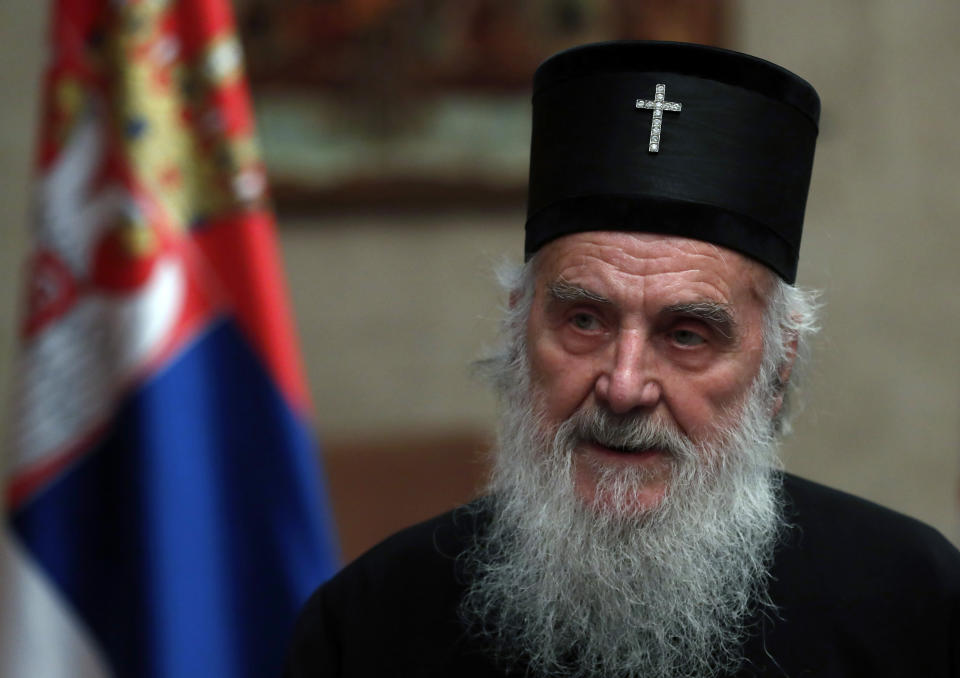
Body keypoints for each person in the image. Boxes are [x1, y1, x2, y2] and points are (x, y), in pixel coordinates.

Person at [283, 41, 960, 678]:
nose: (625, 384)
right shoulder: (368, 624)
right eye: (584, 320)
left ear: (777, 368)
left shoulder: (915, 604)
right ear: (518, 334)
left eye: (687, 334)